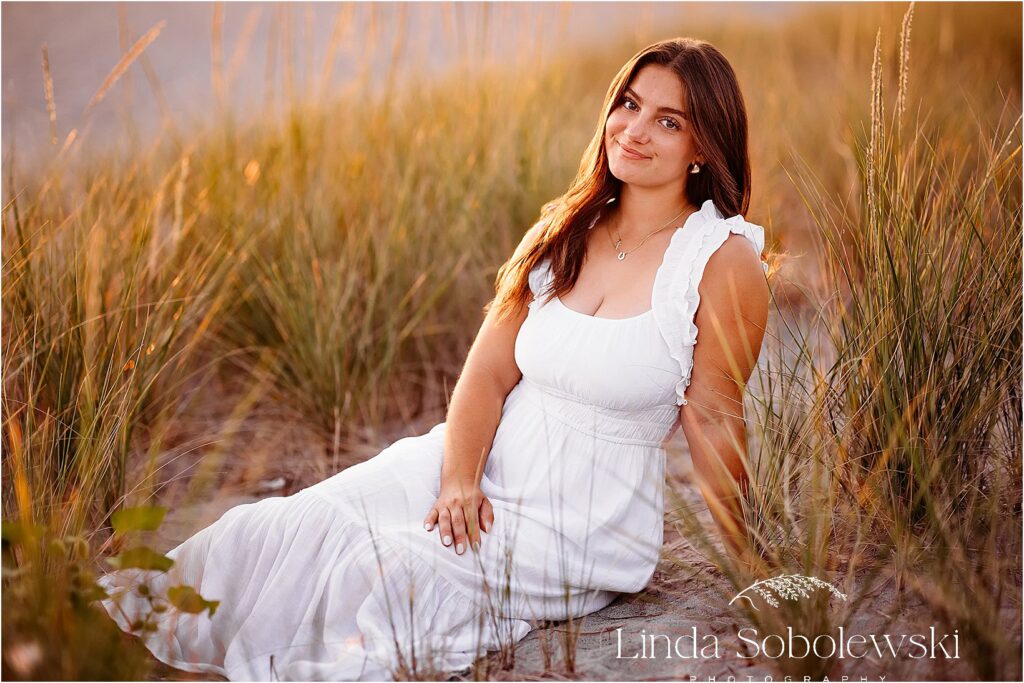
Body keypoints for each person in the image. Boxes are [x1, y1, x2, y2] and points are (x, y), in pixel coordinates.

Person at [96, 37, 770, 681]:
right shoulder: (566, 229)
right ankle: (107, 633)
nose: (634, 129)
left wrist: (746, 560)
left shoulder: (719, 259)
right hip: (473, 462)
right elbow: (486, 373)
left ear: (703, 147)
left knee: (385, 565)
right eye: (628, 103)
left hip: (582, 526)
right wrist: (458, 479)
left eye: (668, 120)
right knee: (294, 521)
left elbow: (712, 417)